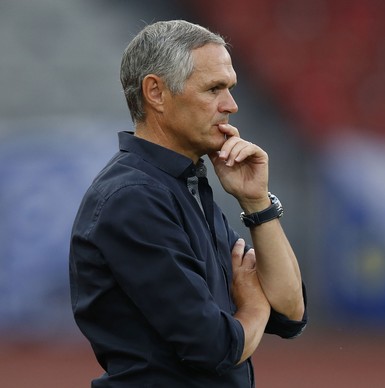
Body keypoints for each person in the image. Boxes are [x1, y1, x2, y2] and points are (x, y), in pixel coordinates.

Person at [69, 20, 307, 387]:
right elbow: (214, 347)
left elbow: (290, 312)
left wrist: (255, 201)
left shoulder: (186, 182)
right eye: (214, 89)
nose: (231, 105)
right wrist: (253, 306)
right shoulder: (133, 198)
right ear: (156, 93)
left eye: (229, 88)